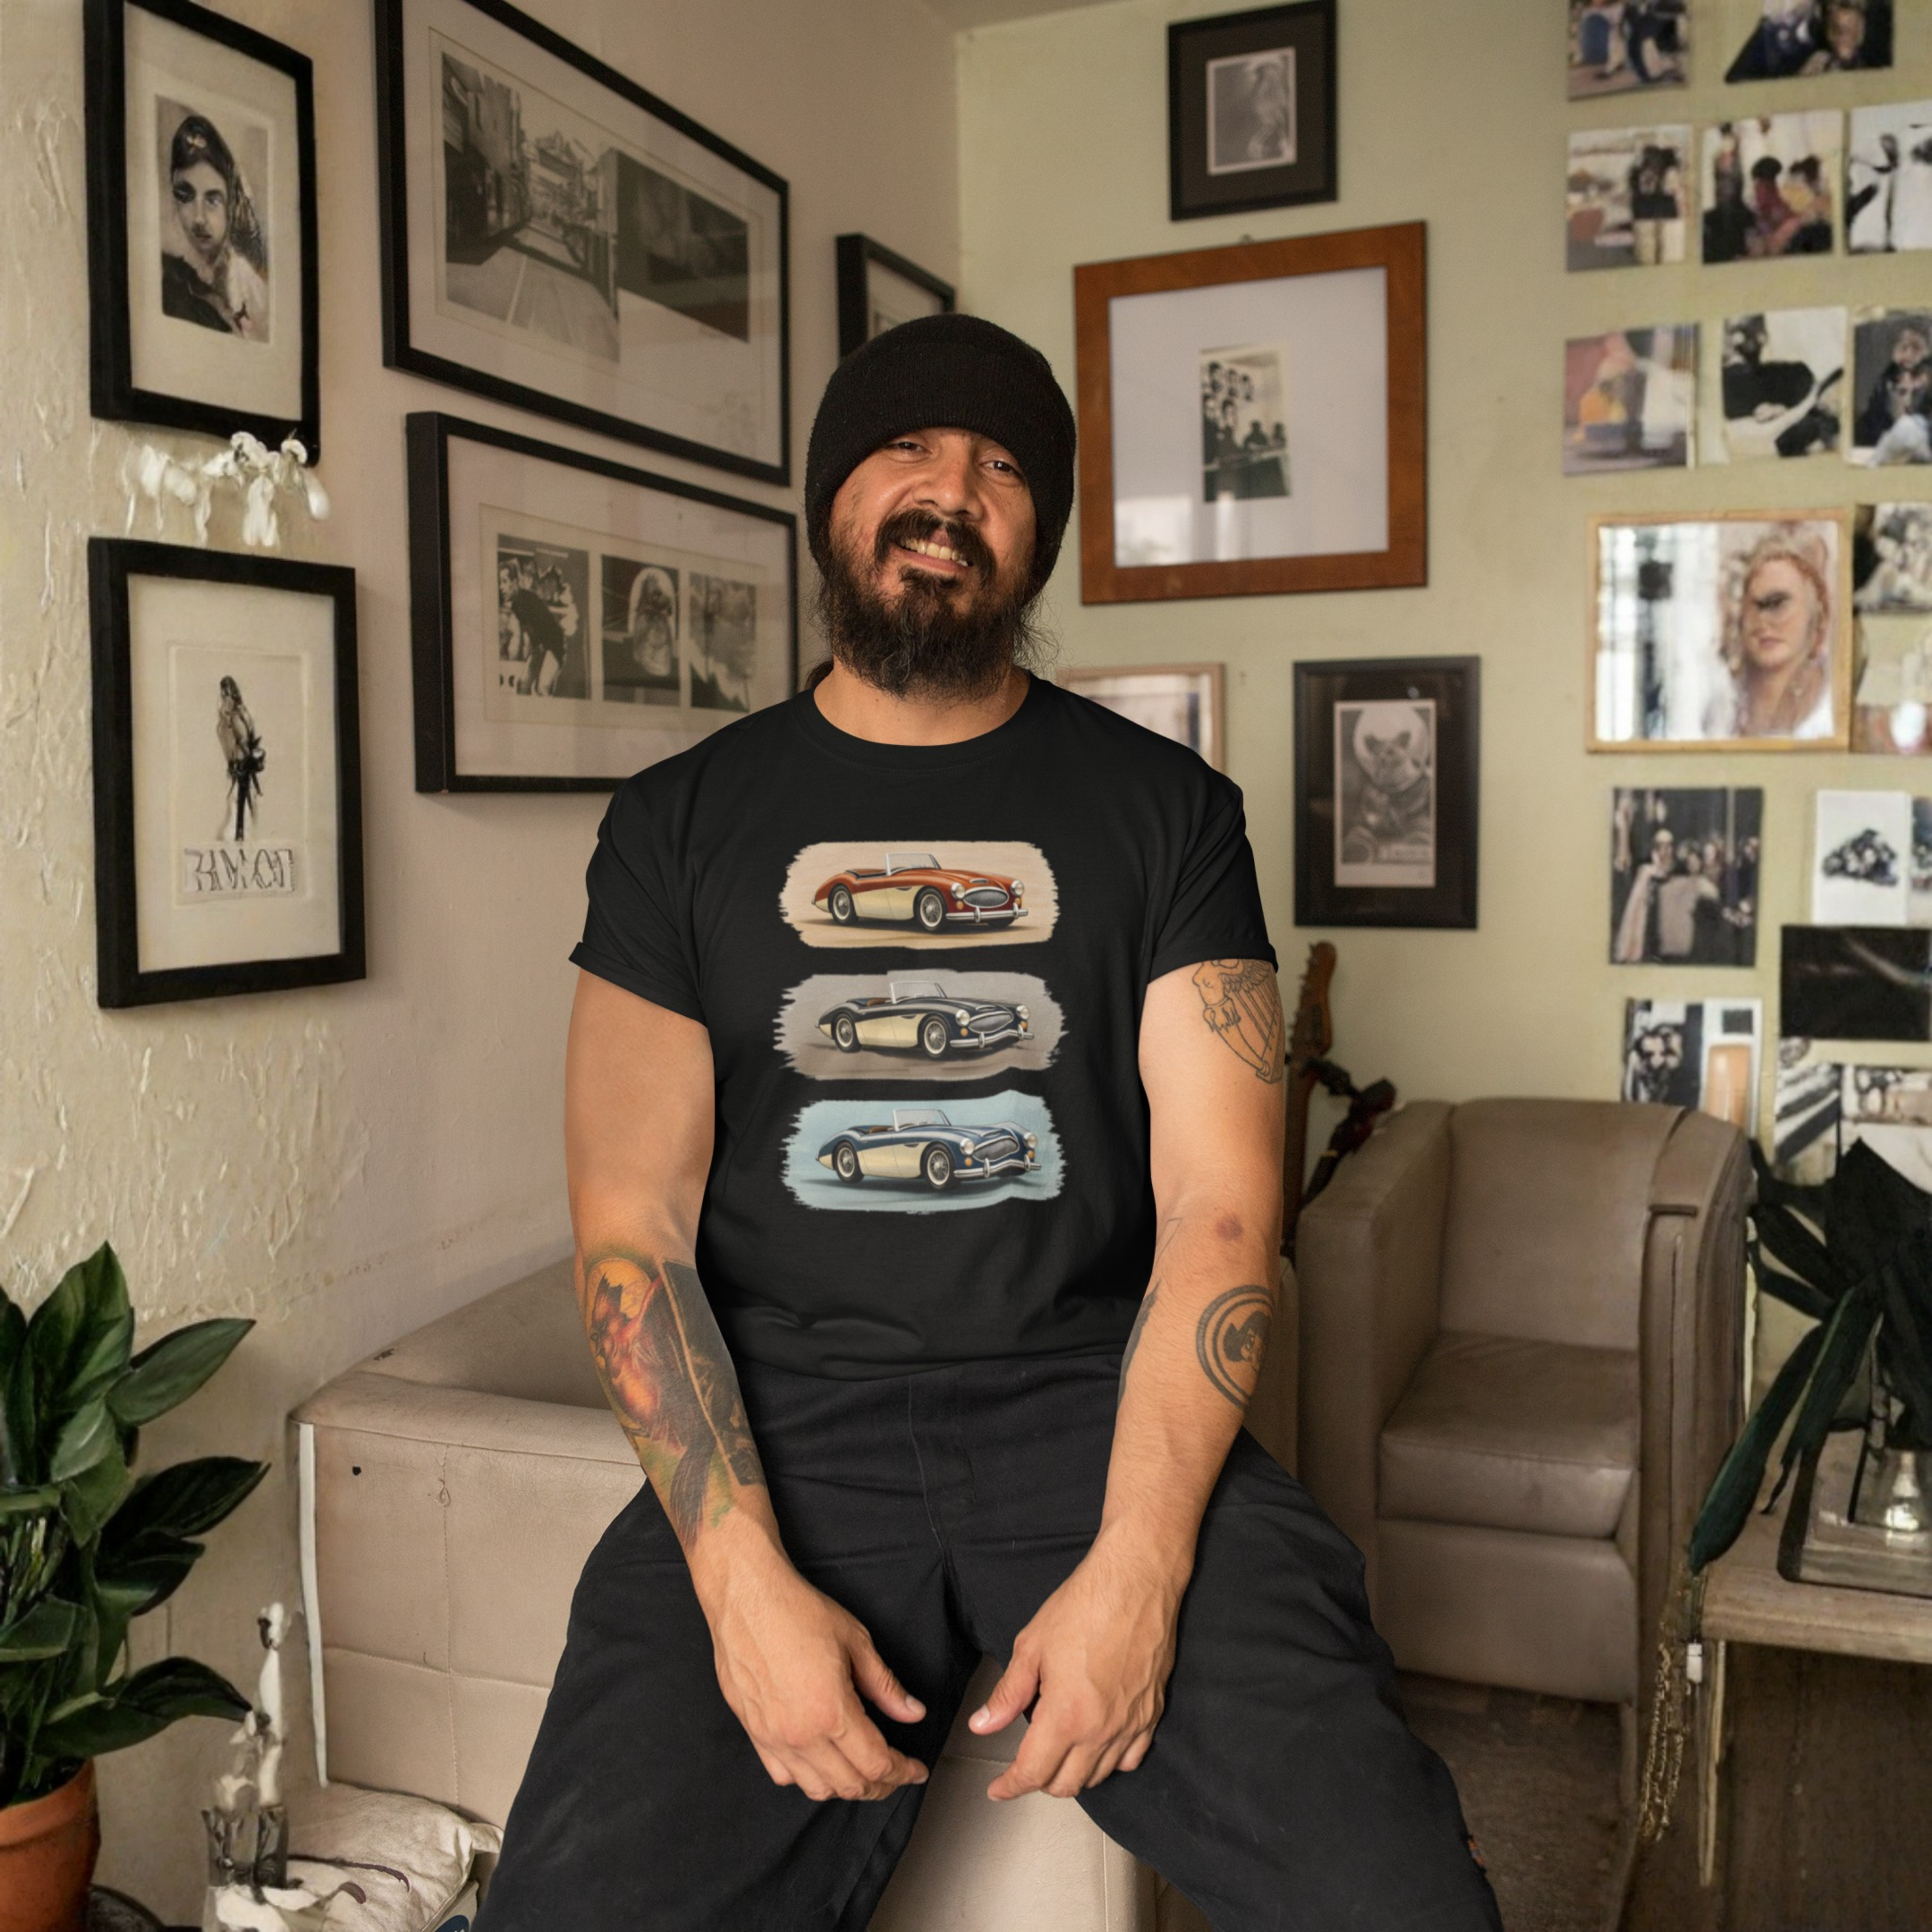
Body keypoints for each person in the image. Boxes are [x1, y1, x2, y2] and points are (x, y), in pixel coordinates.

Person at [474, 313, 1500, 1931]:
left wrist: (1143, 1570)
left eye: (1005, 464)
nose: (952, 488)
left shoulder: (1166, 815)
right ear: (828, 499)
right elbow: (630, 1230)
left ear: (1037, 539)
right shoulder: (675, 825)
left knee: (1398, 1893)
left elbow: (1222, 1221)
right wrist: (741, 1591)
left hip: (1093, 1412)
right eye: (907, 447)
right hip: (784, 1421)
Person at [1706, 527, 1837, 740]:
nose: (1763, 622)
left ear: (1813, 614)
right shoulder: (1720, 708)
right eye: (1754, 605)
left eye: (1778, 604)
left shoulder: (1833, 710)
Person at [161, 113, 269, 340]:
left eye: (213, 200)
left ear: (231, 202)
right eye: (186, 196)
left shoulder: (250, 286)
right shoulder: (166, 276)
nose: (199, 218)